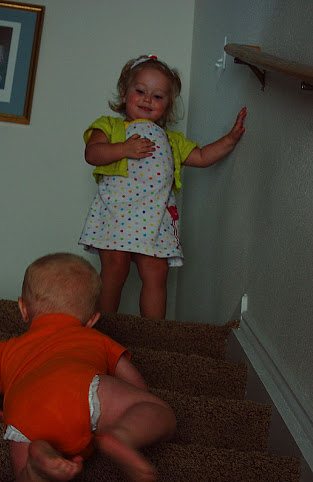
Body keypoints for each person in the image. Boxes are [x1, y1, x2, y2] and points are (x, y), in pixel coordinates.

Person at [0, 253, 176, 482]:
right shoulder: (97, 339)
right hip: (82, 388)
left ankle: (37, 470)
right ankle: (123, 436)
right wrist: (135, 408)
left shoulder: (11, 348)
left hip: (24, 408)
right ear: (92, 320)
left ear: (23, 309)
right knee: (156, 409)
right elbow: (136, 386)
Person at [78, 54, 247, 319]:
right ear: (124, 94)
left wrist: (230, 139)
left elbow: (202, 157)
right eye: (140, 91)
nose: (147, 99)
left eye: (157, 96)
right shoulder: (110, 126)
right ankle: (102, 326)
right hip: (115, 214)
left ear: (167, 105)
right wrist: (124, 149)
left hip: (154, 218)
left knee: (157, 272)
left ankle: (154, 332)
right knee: (115, 268)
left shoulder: (171, 139)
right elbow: (92, 153)